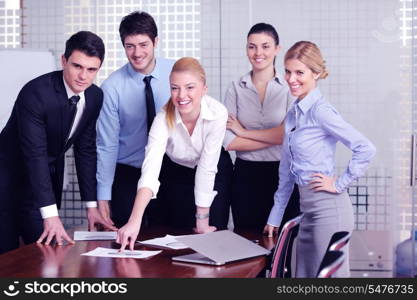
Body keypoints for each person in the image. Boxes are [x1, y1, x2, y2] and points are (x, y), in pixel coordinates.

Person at [264, 41, 376, 277]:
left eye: (299, 72)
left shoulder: (321, 112)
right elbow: (285, 172)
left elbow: (365, 148)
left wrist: (338, 184)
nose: (291, 78)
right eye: (288, 71)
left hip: (329, 211)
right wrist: (275, 216)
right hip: (307, 212)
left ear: (316, 73)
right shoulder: (294, 114)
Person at [0, 31, 115, 254]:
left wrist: (91, 207)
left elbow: (86, 151)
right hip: (6, 178)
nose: (83, 76)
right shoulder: (35, 93)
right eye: (77, 66)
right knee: (7, 254)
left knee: (47, 253)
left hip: (40, 184)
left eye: (92, 70)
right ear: (64, 61)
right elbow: (35, 154)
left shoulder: (94, 97)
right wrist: (51, 215)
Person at [116, 57, 229, 250]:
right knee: (176, 239)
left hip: (214, 172)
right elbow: (150, 171)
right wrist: (134, 220)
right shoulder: (162, 119)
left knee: (210, 239)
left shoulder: (218, 113)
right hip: (175, 173)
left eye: (189, 87)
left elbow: (207, 168)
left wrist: (202, 218)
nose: (181, 95)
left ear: (204, 89)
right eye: (175, 88)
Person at [96, 11, 175, 229]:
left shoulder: (176, 74)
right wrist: (103, 195)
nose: (137, 53)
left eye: (143, 44)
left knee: (173, 239)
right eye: (129, 46)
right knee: (126, 241)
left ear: (156, 42)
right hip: (129, 174)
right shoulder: (112, 87)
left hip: (171, 170)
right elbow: (107, 145)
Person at [223, 23, 300, 232]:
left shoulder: (290, 87)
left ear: (277, 49)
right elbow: (229, 142)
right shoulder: (236, 88)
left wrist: (244, 132)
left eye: (265, 46)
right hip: (245, 177)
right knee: (247, 244)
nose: (258, 53)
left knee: (283, 247)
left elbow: (287, 136)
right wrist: (273, 136)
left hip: (283, 174)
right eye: (252, 47)